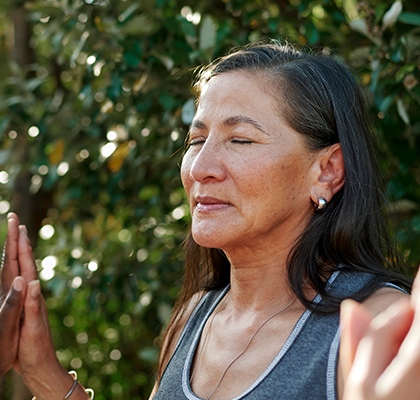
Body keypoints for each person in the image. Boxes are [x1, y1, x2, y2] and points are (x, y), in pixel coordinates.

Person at [0, 41, 418, 400]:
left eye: (240, 140)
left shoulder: (380, 326)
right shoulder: (195, 317)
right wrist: (40, 370)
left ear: (326, 170)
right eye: (197, 140)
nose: (200, 167)